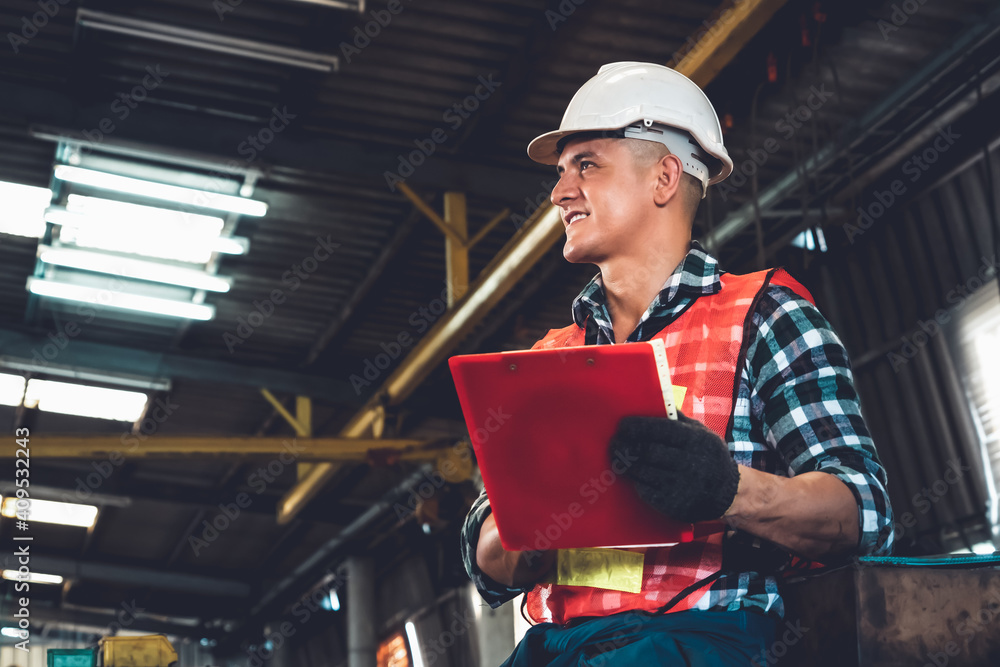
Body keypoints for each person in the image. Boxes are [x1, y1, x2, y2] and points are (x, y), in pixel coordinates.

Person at [460, 62, 894, 666]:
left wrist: (727, 490)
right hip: (559, 648)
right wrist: (527, 529)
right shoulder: (548, 359)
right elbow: (486, 559)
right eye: (561, 174)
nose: (560, 192)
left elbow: (862, 512)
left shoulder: (765, 316)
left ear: (664, 177)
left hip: (703, 639)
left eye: (586, 165)